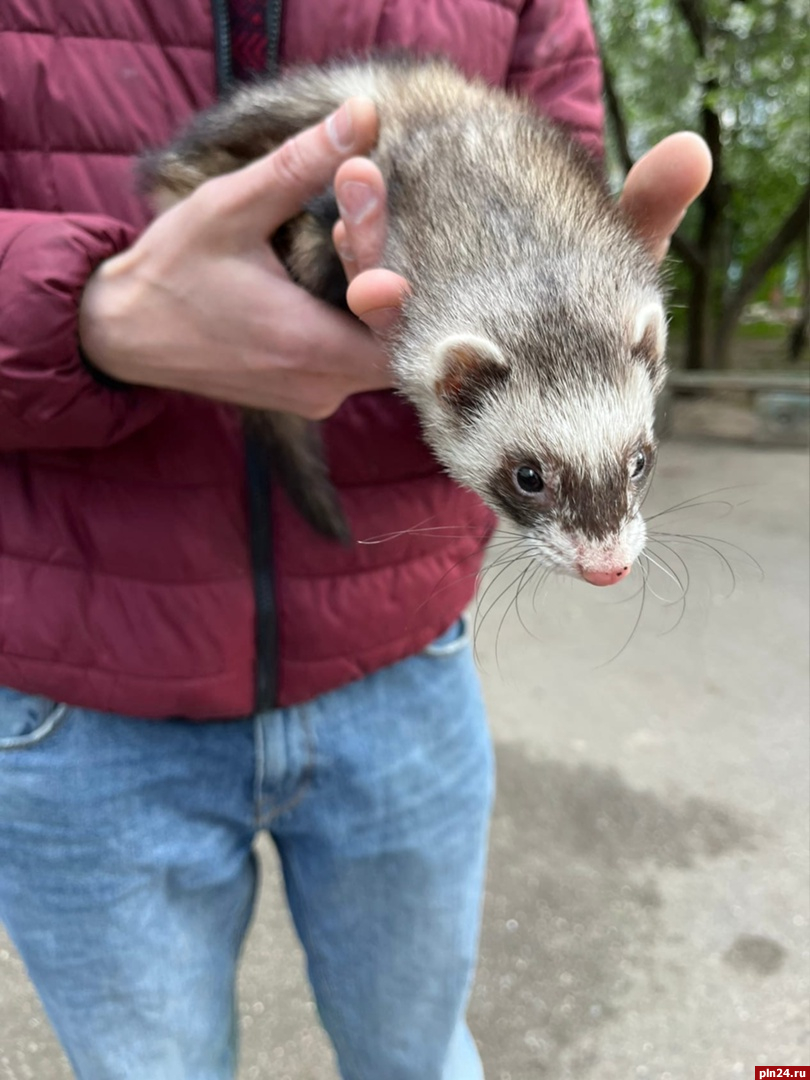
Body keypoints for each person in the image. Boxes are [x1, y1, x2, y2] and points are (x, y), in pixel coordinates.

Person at [0, 1, 711, 1077]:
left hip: (403, 659)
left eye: (633, 470)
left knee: (418, 1054)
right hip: (71, 697)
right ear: (456, 388)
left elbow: (557, 151)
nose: (611, 550)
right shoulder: (450, 343)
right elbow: (182, 174)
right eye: (532, 482)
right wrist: (86, 312)